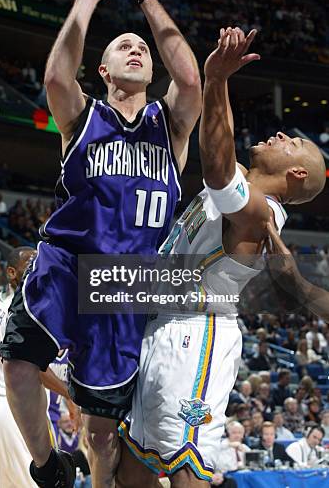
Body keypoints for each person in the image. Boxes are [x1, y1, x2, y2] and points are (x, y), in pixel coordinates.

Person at [0, 0, 202, 488]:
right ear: (104, 72)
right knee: (17, 363)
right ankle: (47, 467)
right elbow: (55, 76)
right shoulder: (82, 118)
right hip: (66, 260)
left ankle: (95, 478)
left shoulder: (171, 126)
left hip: (127, 282)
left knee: (103, 431)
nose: (136, 47)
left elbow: (190, 77)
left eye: (142, 46)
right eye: (123, 47)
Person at [117, 27, 326, 488]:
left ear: (294, 173)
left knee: (186, 466)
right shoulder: (238, 182)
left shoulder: (260, 213)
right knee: (133, 466)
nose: (278, 133)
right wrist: (218, 80)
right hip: (162, 325)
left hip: (198, 337)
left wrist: (217, 80)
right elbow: (220, 150)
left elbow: (215, 166)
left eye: (291, 141)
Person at [0, 247, 79, 488]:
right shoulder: (27, 309)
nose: (37, 267)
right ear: (11, 272)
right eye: (30, 263)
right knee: (45, 480)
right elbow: (31, 367)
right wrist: (70, 395)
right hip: (16, 409)